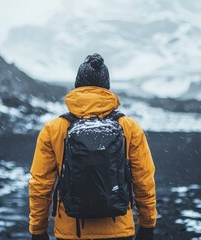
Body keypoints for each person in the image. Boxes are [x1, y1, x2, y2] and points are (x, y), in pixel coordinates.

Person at [29, 53, 157, 240]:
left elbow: (40, 185)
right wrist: (148, 224)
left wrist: (38, 230)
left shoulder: (54, 128)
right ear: (107, 87)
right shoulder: (128, 127)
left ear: (77, 85)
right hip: (119, 230)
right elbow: (143, 180)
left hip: (71, 232)